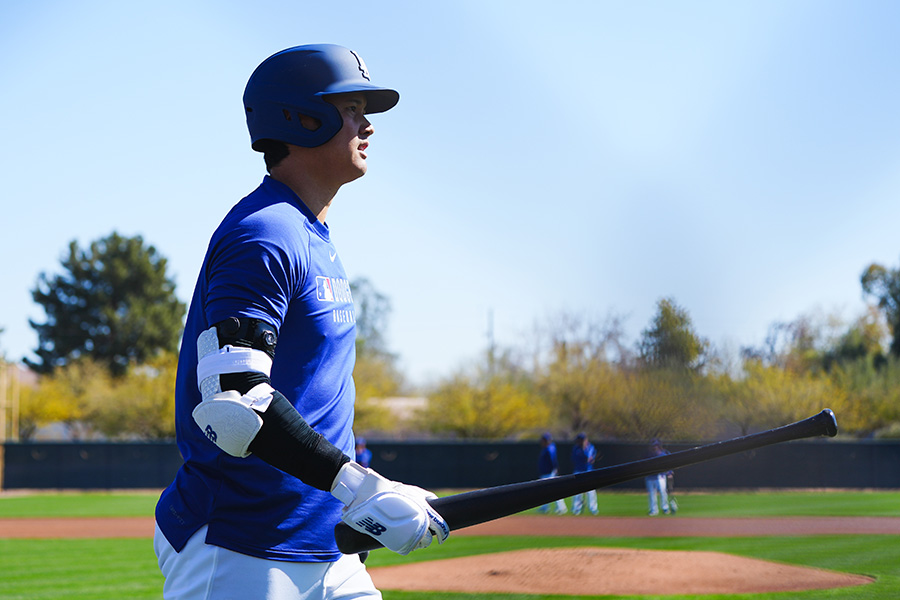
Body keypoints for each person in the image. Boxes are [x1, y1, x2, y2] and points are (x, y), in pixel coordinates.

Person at [153, 44, 448, 600]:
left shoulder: (310, 234)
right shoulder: (264, 233)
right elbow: (235, 402)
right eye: (352, 108)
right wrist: (361, 485)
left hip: (327, 545)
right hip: (243, 545)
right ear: (300, 118)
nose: (368, 125)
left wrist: (359, 499)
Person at [537, 432, 567, 514]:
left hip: (549, 472)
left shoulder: (550, 448)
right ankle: (545, 507)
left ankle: (561, 508)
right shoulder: (547, 448)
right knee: (545, 491)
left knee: (554, 491)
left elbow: (553, 460)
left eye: (543, 440)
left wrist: (554, 469)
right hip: (546, 472)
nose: (542, 441)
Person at [570, 433, 599, 515]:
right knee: (576, 492)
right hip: (578, 471)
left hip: (588, 472)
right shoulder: (576, 448)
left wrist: (584, 449)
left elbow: (589, 458)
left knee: (591, 492)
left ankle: (593, 509)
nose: (577, 441)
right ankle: (576, 509)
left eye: (579, 440)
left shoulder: (590, 447)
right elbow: (574, 459)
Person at [644, 439, 672, 516]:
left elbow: (669, 463)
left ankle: (665, 508)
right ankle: (653, 510)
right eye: (653, 445)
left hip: (660, 476)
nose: (655, 447)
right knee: (652, 494)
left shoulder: (663, 453)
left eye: (656, 445)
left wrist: (669, 472)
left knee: (663, 492)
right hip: (650, 477)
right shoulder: (648, 454)